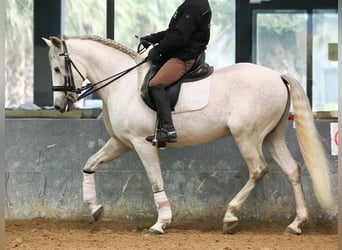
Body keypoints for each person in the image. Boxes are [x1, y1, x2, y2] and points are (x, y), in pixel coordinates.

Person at [140, 0, 211, 144]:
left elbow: (179, 38)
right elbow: (174, 32)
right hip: (180, 52)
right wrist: (152, 38)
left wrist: (158, 49)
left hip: (184, 57)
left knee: (155, 83)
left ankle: (168, 129)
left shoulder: (194, 5)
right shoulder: (192, 4)